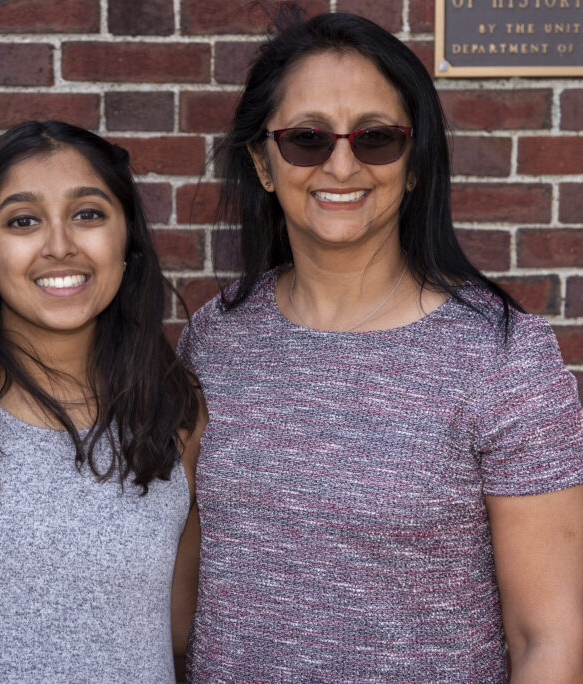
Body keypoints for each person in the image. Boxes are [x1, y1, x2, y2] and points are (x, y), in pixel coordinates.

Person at [180, 8, 583, 681]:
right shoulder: (215, 339)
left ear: (415, 160)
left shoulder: (503, 356)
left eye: (376, 138)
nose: (341, 164)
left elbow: (549, 640)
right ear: (263, 163)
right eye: (307, 138)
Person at [0, 120, 206, 682]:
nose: (59, 245)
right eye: (23, 220)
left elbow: (178, 626)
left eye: (88, 214)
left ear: (128, 242)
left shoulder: (174, 413)